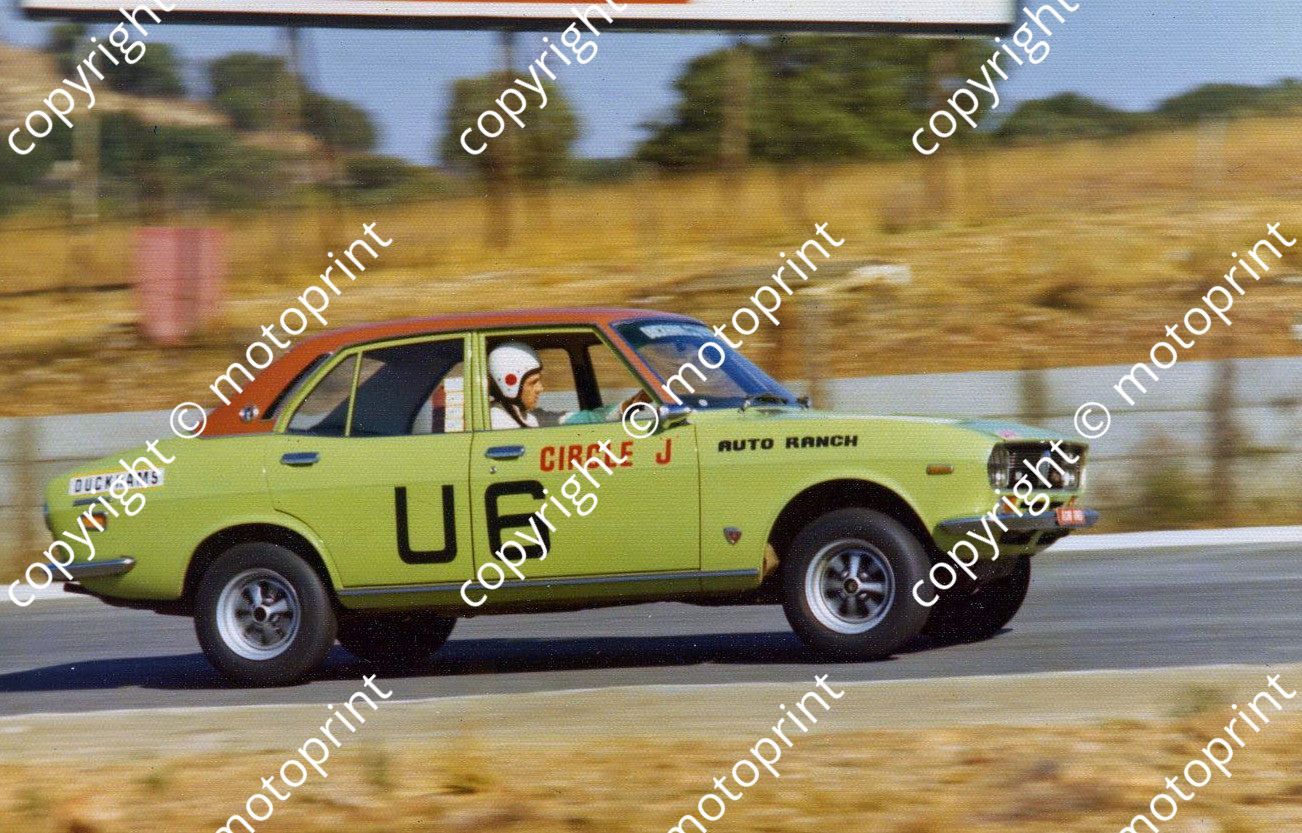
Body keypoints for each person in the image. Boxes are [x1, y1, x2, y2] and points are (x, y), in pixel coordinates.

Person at [487, 341, 650, 429]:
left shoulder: (530, 417)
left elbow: (588, 419)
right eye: (533, 382)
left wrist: (634, 403)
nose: (541, 388)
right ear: (509, 384)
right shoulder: (496, 421)